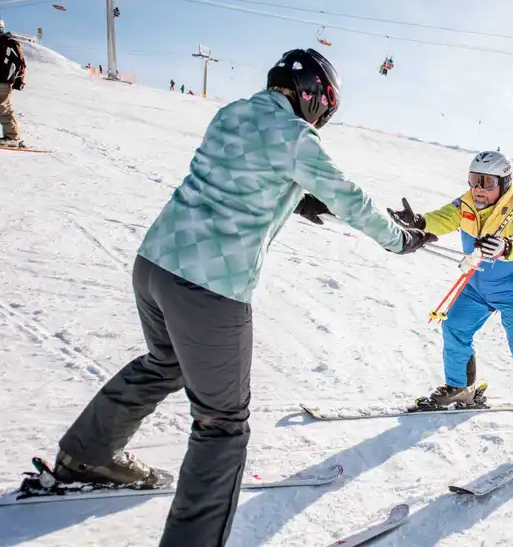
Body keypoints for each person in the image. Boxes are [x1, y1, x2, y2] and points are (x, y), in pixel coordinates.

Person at [52, 49, 436, 546]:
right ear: (315, 95)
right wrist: (399, 238)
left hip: (154, 264)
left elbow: (242, 172)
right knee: (221, 422)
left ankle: (88, 453)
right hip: (208, 286)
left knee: (164, 362)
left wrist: (298, 197)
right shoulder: (297, 136)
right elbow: (348, 196)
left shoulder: (231, 112)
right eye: (326, 106)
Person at [388, 150, 513, 456]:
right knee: (455, 328)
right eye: (474, 180)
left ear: (503, 183)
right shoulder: (468, 203)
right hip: (478, 286)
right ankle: (462, 389)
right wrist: (419, 221)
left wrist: (506, 245)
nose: (478, 188)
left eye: (486, 182)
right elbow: (444, 218)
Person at [0, 19, 27, 148]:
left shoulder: (9, 43)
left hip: (3, 82)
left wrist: (18, 80)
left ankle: (12, 137)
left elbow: (20, 63)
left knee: (3, 109)